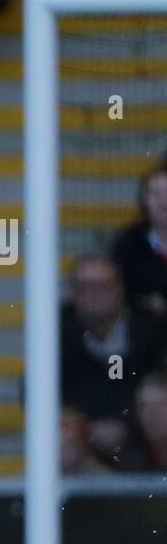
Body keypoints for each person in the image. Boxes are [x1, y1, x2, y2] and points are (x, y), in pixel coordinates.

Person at [60, 255, 167, 468]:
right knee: (59, 435)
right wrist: (82, 425)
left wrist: (127, 422)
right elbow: (34, 390)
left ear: (120, 288)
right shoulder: (56, 330)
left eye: (104, 285)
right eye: (86, 287)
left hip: (142, 432)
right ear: (74, 293)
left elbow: (158, 380)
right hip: (84, 435)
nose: (95, 294)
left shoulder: (153, 326)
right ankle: (54, 500)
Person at [112, 166, 167, 314]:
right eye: (156, 194)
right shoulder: (127, 242)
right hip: (144, 328)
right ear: (144, 200)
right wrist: (144, 301)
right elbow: (117, 290)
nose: (163, 201)